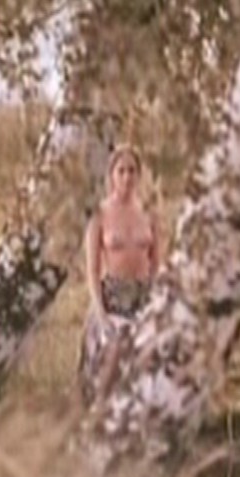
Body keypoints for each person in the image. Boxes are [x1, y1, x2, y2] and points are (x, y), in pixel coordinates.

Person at [77, 144, 160, 406]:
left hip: (142, 297)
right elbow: (92, 270)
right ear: (111, 175)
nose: (127, 177)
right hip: (112, 298)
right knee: (107, 372)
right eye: (121, 171)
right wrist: (99, 312)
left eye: (132, 171)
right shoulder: (99, 215)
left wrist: (157, 305)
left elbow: (156, 264)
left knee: (146, 372)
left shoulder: (149, 213)